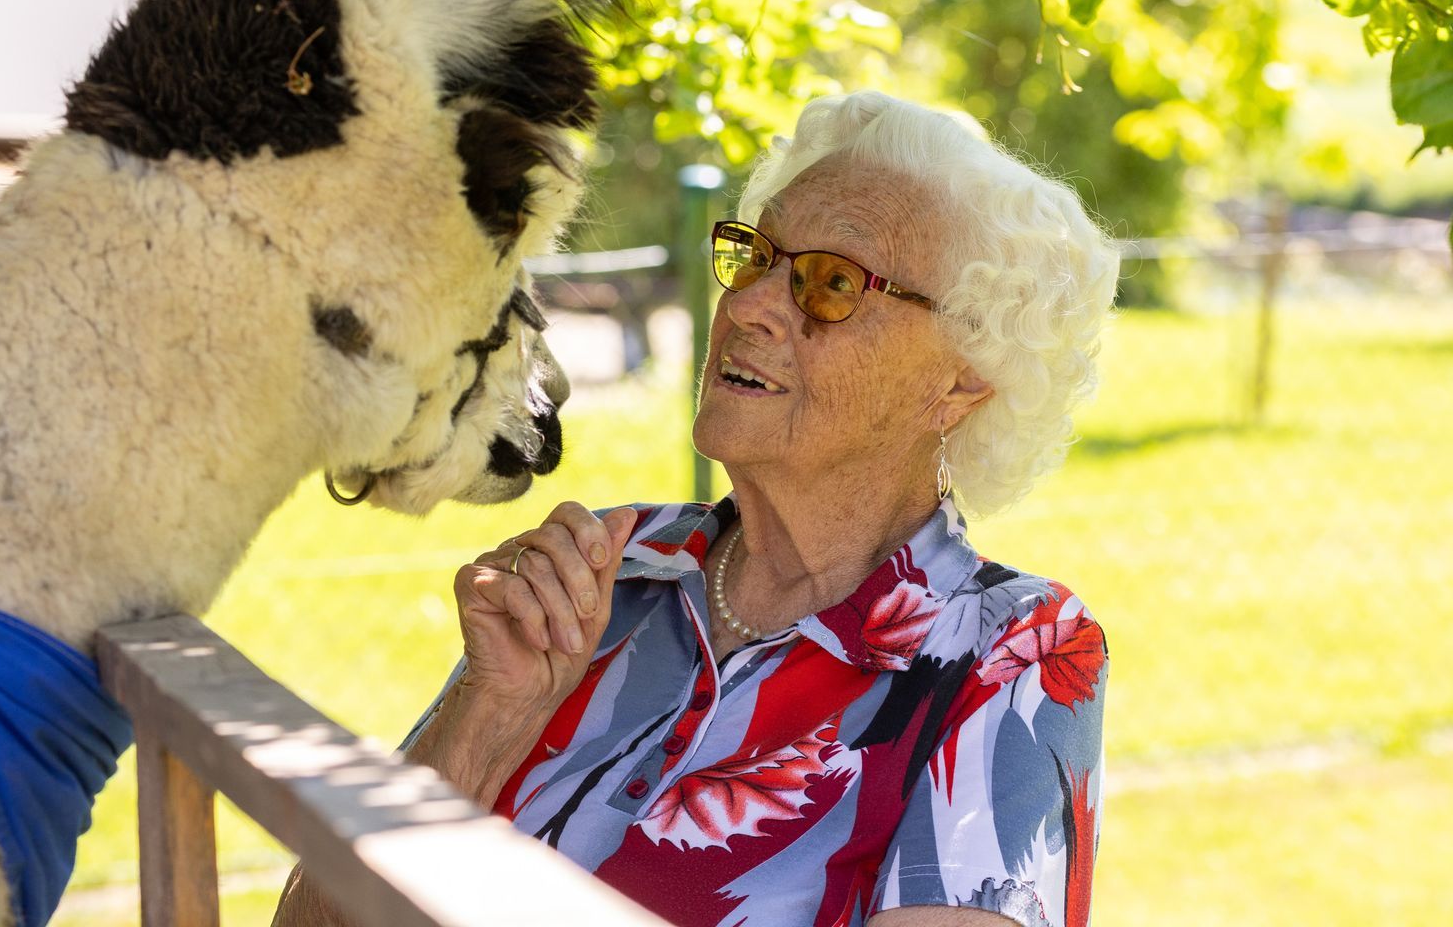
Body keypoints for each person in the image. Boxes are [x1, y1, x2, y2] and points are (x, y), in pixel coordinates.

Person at [274, 90, 1120, 927]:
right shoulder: (613, 564)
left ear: (962, 381)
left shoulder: (1011, 655)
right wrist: (489, 719)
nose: (748, 306)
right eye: (758, 257)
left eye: (831, 284)